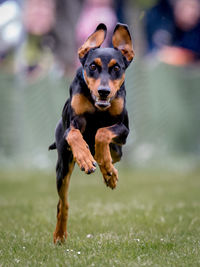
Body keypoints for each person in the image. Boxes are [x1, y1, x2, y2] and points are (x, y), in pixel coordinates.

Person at [144, 0, 200, 65]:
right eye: (187, 6)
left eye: (194, 8)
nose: (190, 12)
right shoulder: (160, 18)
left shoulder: (196, 33)